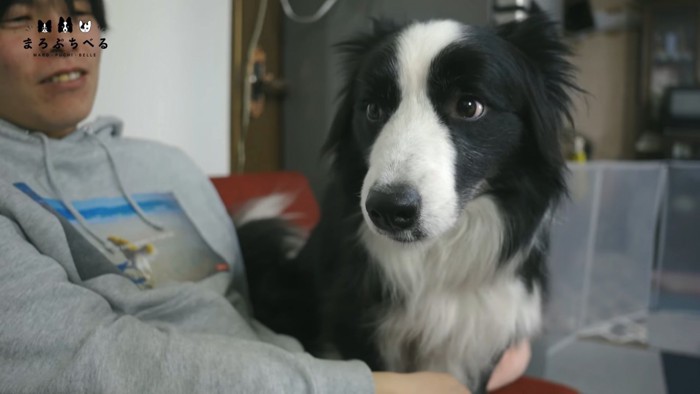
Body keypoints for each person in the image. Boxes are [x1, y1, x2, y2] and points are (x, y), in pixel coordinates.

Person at [0, 1, 530, 393]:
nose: (61, 39)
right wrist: (373, 389)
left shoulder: (167, 164)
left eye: (75, 14)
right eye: (23, 20)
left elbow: (251, 308)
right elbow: (81, 362)